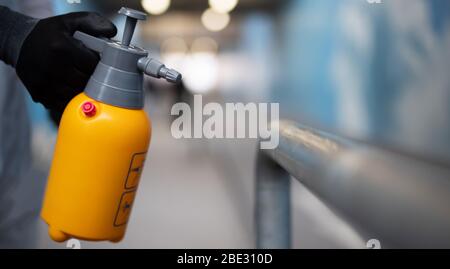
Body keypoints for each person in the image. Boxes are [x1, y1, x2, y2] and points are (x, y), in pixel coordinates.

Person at [0, 4, 116, 248]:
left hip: (12, 140)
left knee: (17, 217)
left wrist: (63, 69)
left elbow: (35, 10)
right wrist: (9, 30)